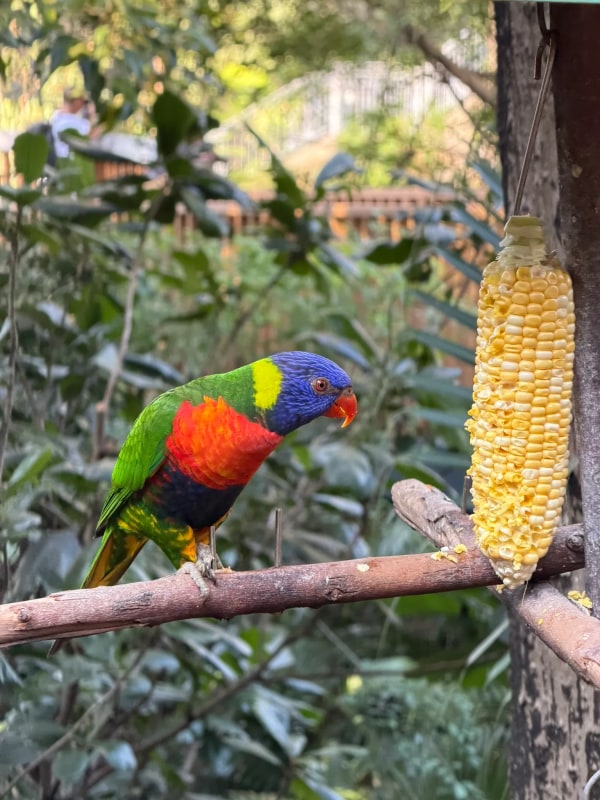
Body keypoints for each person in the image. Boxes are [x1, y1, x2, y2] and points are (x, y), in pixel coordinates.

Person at [50, 89, 93, 159]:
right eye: (82, 101)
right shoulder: (81, 123)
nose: (82, 105)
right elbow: (90, 141)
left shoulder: (55, 117)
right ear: (77, 101)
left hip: (55, 161)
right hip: (71, 162)